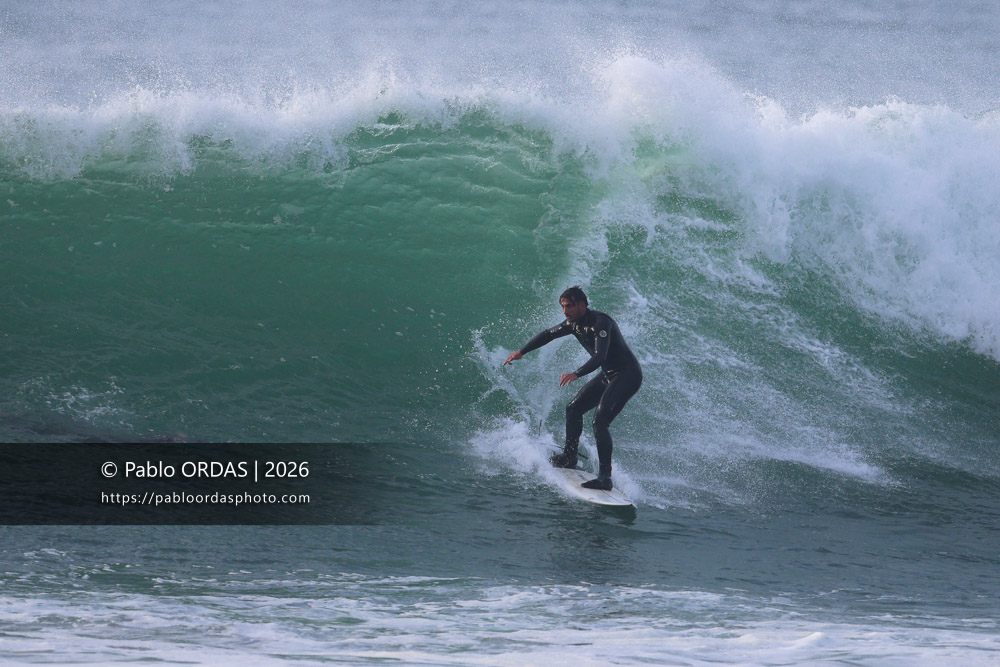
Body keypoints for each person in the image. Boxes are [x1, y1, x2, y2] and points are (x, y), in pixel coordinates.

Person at [503, 286, 642, 491]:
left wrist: (576, 373)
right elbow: (548, 334)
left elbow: (600, 356)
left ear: (582, 305)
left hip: (627, 375)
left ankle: (605, 478)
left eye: (569, 306)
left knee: (600, 421)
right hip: (609, 375)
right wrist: (522, 352)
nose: (565, 311)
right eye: (563, 306)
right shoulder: (573, 324)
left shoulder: (600, 322)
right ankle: (569, 457)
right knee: (573, 408)